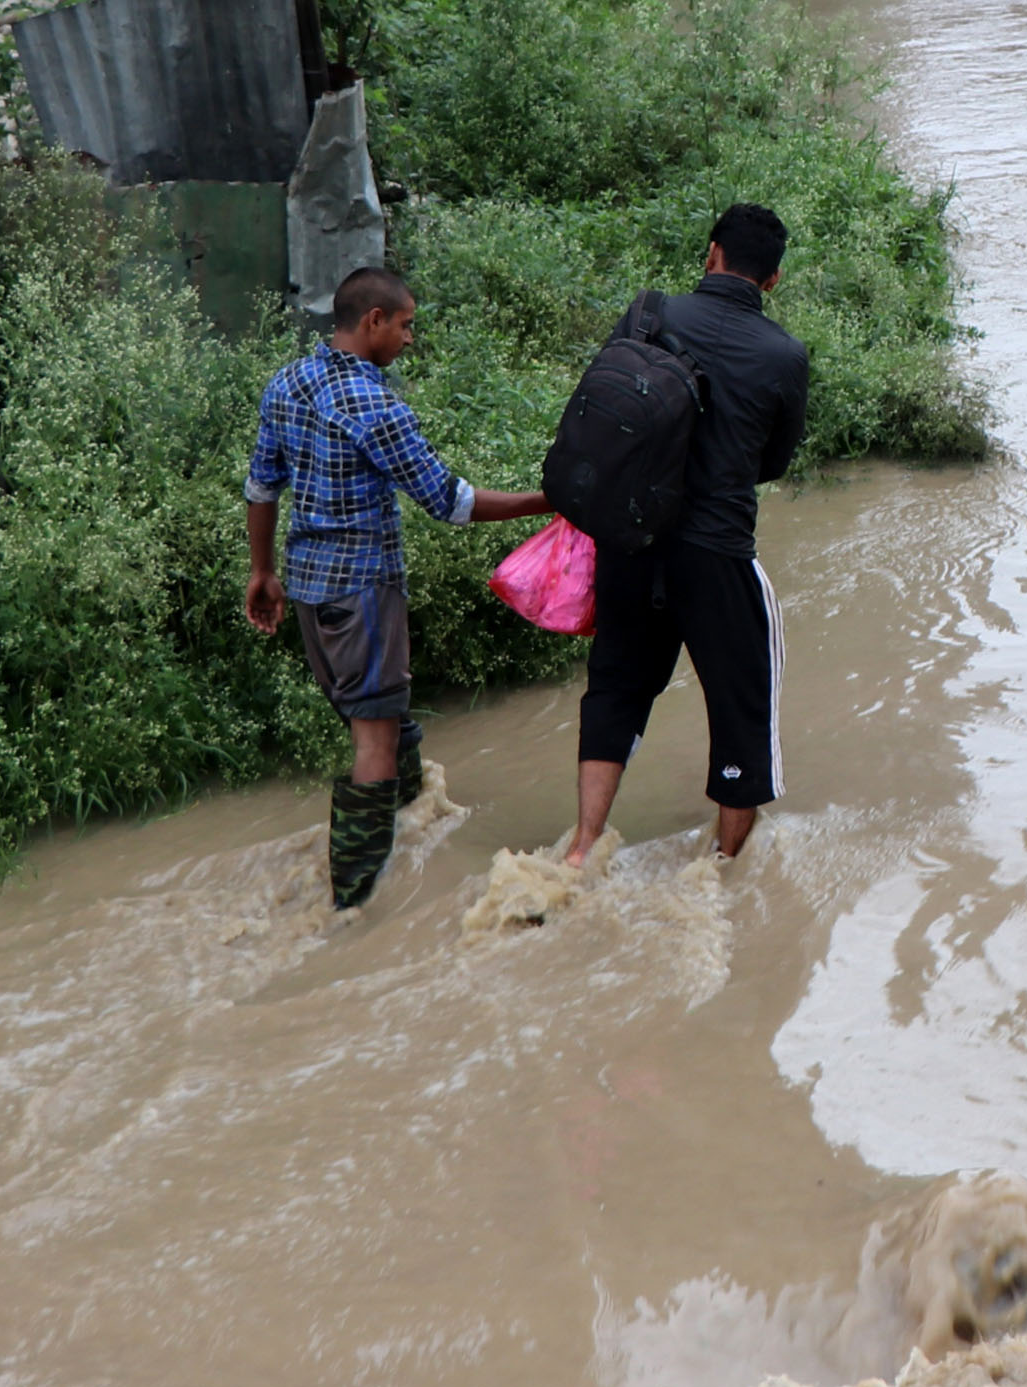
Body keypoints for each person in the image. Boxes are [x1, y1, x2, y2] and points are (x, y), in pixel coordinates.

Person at [245, 265, 553, 911]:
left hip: (308, 589)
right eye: (407, 324)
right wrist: (548, 500)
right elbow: (450, 501)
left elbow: (262, 486)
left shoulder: (287, 381)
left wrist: (262, 571)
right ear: (374, 321)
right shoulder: (374, 404)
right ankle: (355, 902)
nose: (411, 338)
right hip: (364, 591)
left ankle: (416, 819)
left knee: (381, 713)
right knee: (374, 739)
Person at [566, 202, 813, 866]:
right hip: (717, 554)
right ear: (774, 281)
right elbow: (775, 462)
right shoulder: (784, 355)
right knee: (742, 704)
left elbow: (607, 412)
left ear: (710, 255)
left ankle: (584, 845)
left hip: (629, 542)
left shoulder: (651, 314)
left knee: (617, 686)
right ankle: (726, 868)